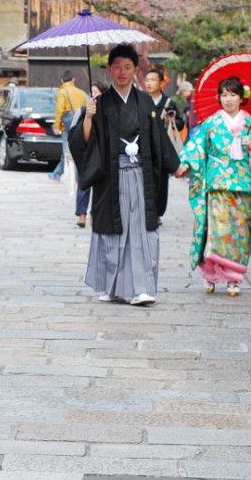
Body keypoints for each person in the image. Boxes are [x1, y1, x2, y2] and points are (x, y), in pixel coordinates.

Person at [69, 44, 181, 307]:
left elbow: (158, 139)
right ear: (109, 69)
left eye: (127, 67)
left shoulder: (145, 102)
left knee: (141, 230)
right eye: (116, 66)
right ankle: (113, 286)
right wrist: (88, 118)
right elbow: (81, 143)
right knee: (111, 231)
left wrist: (174, 166)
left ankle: (141, 288)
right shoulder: (99, 104)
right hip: (111, 176)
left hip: (141, 176)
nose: (121, 72)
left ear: (135, 71)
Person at [177, 76, 251, 296]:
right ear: (219, 97)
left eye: (233, 94)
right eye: (224, 94)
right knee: (217, 232)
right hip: (218, 184)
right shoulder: (211, 123)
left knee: (239, 233)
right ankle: (211, 274)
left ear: (241, 98)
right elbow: (197, 146)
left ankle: (233, 278)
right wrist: (184, 163)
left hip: (243, 187)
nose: (228, 99)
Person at [143, 68, 185, 224]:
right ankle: (146, 210)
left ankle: (157, 213)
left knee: (161, 181)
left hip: (162, 148)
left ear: (161, 83)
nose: (149, 83)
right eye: (147, 80)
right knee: (146, 179)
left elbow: (180, 124)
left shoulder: (168, 103)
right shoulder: (142, 101)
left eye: (153, 80)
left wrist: (170, 120)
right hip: (145, 146)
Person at [72, 80, 108, 228]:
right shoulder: (82, 110)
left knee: (100, 186)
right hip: (85, 154)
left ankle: (95, 214)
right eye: (92, 92)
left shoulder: (109, 111)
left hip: (102, 154)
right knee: (83, 183)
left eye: (97, 92)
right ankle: (82, 214)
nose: (94, 95)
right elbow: (73, 132)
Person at [49, 70, 87, 183]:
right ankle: (76, 178)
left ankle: (57, 175)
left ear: (62, 81)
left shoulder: (62, 92)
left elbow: (60, 110)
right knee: (76, 151)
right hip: (80, 126)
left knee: (67, 152)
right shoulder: (81, 93)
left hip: (67, 127)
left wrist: (57, 126)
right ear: (73, 80)